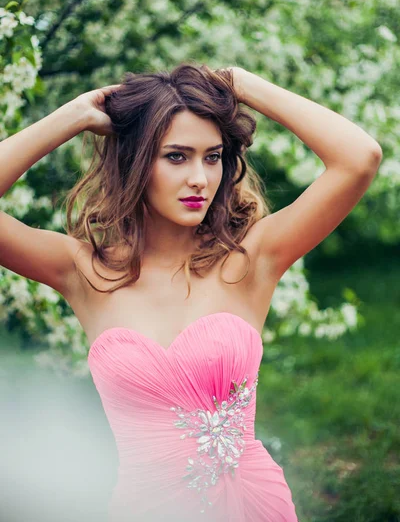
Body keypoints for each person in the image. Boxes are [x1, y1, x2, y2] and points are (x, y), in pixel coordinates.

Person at [0, 62, 382, 521]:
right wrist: (75, 115)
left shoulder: (250, 260)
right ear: (136, 162)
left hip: (252, 506)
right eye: (176, 156)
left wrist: (243, 84)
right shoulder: (84, 272)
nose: (199, 177)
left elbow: (360, 157)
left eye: (213, 156)